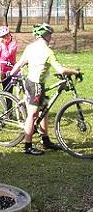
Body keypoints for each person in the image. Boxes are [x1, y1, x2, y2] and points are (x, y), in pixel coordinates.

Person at [9, 23, 80, 155]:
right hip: (35, 85)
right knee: (33, 114)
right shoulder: (47, 51)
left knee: (44, 111)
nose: (51, 37)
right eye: (49, 35)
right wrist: (75, 72)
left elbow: (20, 62)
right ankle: (28, 146)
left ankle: (45, 140)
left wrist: (12, 73)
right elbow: (61, 69)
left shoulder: (30, 47)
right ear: (45, 36)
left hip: (33, 83)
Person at [0, 25, 18, 92]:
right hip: (3, 69)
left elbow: (7, 55)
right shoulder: (2, 44)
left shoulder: (13, 43)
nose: (6, 38)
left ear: (9, 34)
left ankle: (9, 102)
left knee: (9, 91)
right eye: (3, 37)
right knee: (4, 89)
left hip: (10, 69)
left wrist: (2, 45)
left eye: (7, 35)